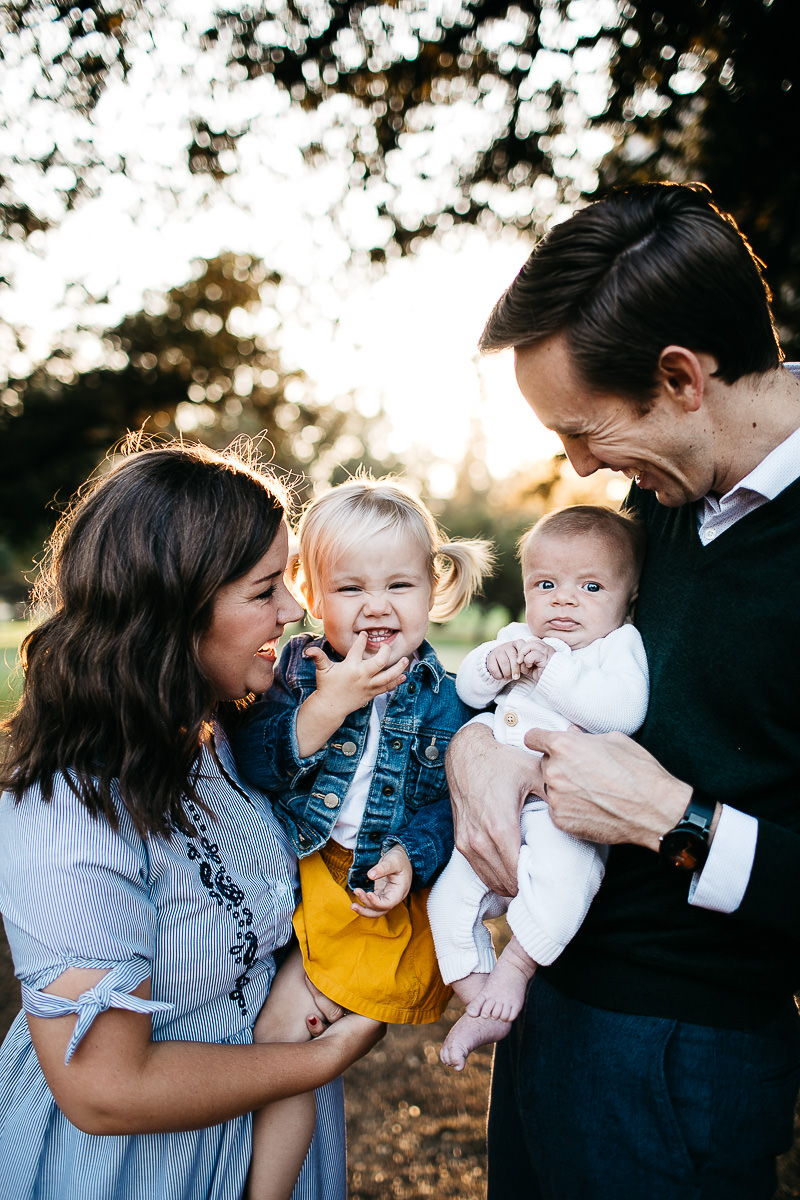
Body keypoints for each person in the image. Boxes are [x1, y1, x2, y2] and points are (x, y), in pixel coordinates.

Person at [446, 181, 800, 1199]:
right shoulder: (660, 505)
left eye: (582, 429)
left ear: (682, 377)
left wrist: (674, 822)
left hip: (684, 1052)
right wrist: (478, 748)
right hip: (548, 1000)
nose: (575, 465)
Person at [0, 438, 384, 1200]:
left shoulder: (215, 733)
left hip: (263, 1138)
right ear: (172, 611)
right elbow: (104, 1090)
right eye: (265, 589)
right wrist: (320, 1058)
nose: (295, 609)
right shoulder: (66, 809)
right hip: (136, 1171)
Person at [233, 476, 493, 1200]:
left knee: (281, 1039)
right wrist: (327, 707)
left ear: (432, 590)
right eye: (350, 588)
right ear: (310, 596)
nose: (377, 606)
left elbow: (448, 804)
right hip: (292, 873)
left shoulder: (448, 694)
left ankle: (266, 1191)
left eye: (399, 584)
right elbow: (251, 762)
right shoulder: (295, 673)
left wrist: (414, 854)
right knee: (266, 1031)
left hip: (365, 890)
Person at [428, 505, 648, 1070]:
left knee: (566, 885)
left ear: (629, 595)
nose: (564, 600)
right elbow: (473, 691)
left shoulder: (617, 648)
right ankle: (477, 997)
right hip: (494, 810)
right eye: (545, 584)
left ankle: (518, 966)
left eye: (590, 586)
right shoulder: (519, 636)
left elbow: (621, 712)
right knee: (448, 902)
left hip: (560, 815)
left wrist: (549, 670)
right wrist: (493, 663)